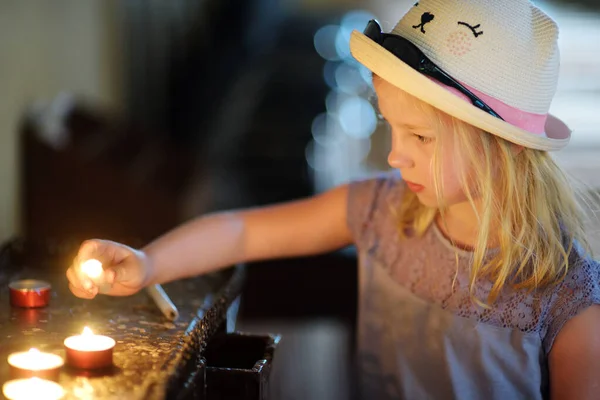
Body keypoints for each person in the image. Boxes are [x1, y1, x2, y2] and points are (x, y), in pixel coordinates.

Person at [66, 0, 600, 398]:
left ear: (500, 150)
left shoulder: (566, 303)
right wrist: (148, 261)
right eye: (392, 128)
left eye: (421, 137)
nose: (395, 157)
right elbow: (244, 231)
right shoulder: (382, 212)